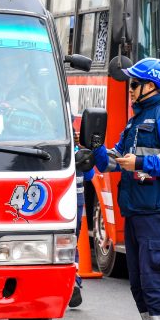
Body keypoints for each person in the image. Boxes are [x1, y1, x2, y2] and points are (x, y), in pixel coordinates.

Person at [92, 57, 160, 320]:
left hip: (156, 212)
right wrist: (93, 147)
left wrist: (143, 164)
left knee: (155, 277)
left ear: (151, 86)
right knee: (139, 281)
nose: (129, 89)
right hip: (135, 211)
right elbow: (112, 161)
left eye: (134, 84)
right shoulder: (134, 122)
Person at [69, 129, 94, 308]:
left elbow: (90, 174)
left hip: (63, 203)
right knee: (72, 243)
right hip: (73, 204)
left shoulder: (72, 151)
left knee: (68, 244)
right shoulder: (75, 151)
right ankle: (73, 282)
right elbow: (90, 175)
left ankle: (72, 283)